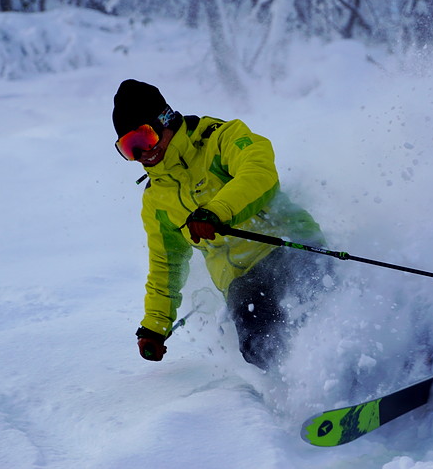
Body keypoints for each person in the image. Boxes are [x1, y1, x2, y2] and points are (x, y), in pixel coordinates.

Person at [112, 79, 332, 371]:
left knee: (320, 306)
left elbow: (259, 171)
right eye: (129, 148)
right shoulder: (157, 199)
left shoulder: (219, 139)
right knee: (260, 346)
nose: (142, 154)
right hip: (241, 280)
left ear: (165, 119)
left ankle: (369, 356)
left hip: (289, 245)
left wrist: (217, 212)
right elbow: (166, 264)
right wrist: (154, 326)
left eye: (144, 138)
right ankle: (317, 388)